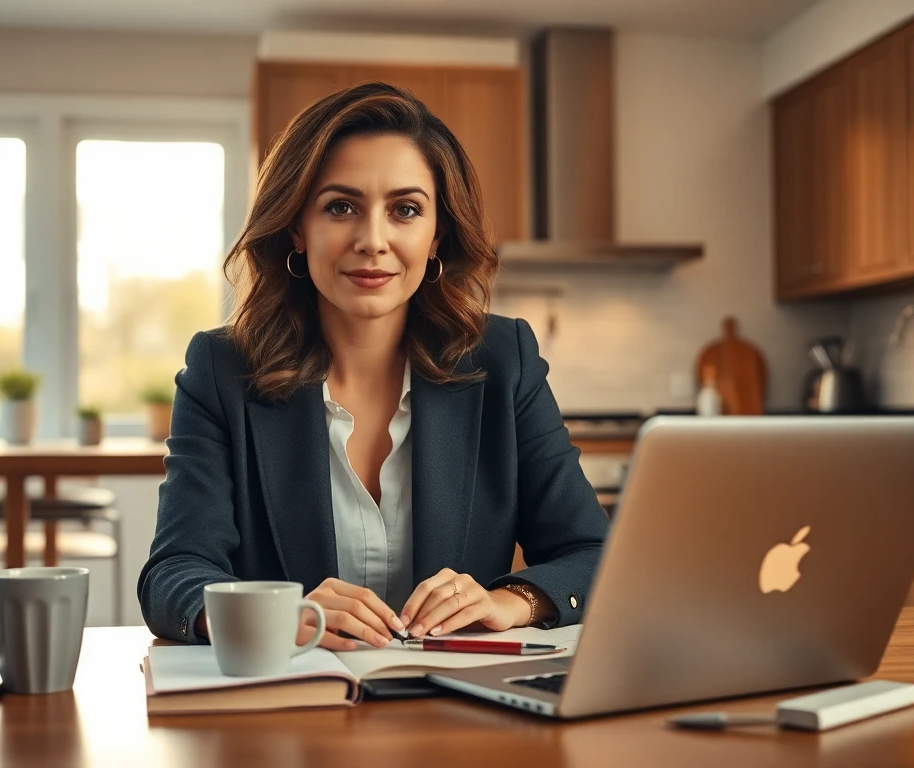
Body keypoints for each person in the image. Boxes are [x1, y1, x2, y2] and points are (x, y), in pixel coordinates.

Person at [138, 82, 608, 650]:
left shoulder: (503, 360)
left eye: (405, 210)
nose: (373, 240)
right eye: (341, 207)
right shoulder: (221, 369)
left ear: (437, 236)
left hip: (462, 712)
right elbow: (173, 573)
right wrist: (278, 616)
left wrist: (508, 602)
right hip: (292, 711)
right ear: (295, 226)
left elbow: (592, 553)